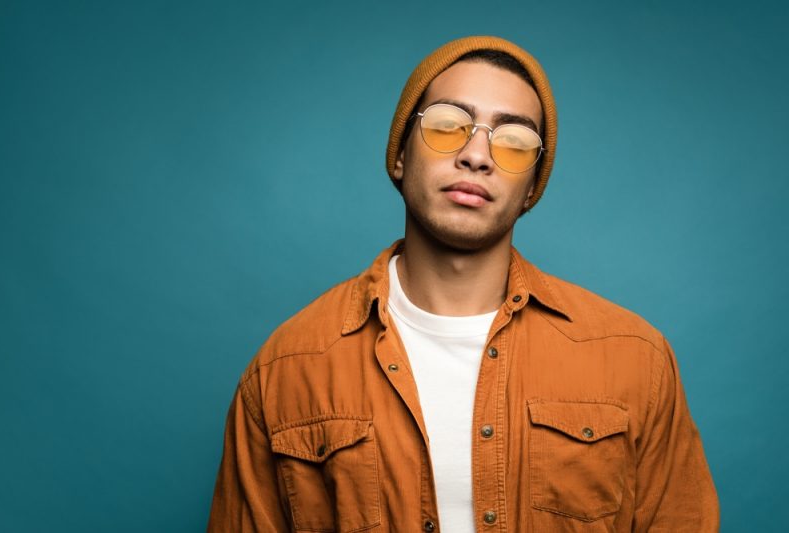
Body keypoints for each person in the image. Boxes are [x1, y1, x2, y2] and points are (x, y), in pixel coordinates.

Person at [207, 35, 719, 532]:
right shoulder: (289, 367)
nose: (477, 155)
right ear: (400, 154)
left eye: (514, 140)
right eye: (449, 125)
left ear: (531, 188)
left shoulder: (634, 358)